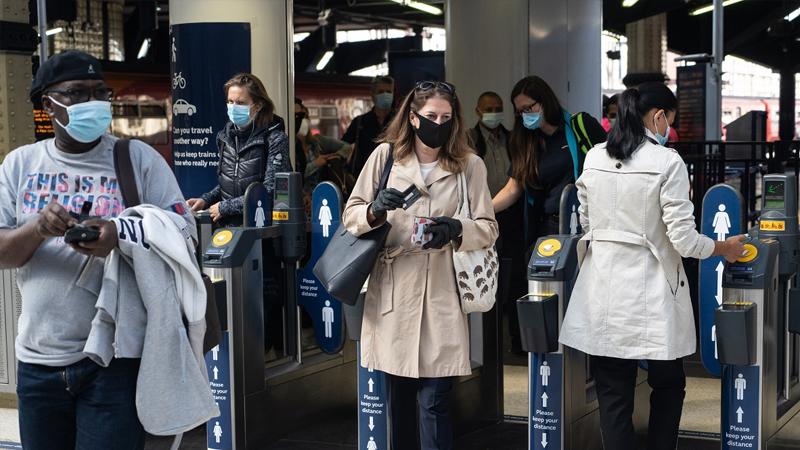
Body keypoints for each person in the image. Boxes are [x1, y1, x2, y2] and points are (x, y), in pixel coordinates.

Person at [0, 50, 194, 449]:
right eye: (76, 93)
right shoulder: (19, 166)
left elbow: (184, 229)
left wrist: (118, 234)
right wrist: (38, 228)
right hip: (38, 362)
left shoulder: (136, 159)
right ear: (48, 104)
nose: (92, 103)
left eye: (99, 92)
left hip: (115, 358)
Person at [558, 83, 746, 450]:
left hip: (601, 288)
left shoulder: (595, 156)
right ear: (658, 116)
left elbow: (584, 218)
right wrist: (724, 248)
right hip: (654, 290)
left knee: (613, 390)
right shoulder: (667, 162)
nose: (668, 131)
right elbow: (685, 241)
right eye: (669, 122)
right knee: (668, 382)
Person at [343, 81, 498, 450]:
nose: (438, 124)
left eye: (446, 117)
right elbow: (351, 216)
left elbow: (489, 227)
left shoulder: (469, 166)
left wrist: (457, 228)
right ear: (412, 118)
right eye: (431, 116)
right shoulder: (384, 158)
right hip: (395, 289)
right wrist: (376, 209)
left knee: (435, 400)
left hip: (443, 290)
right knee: (398, 399)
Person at [492, 75, 607, 248]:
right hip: (548, 228)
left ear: (544, 101)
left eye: (528, 108)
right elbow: (512, 188)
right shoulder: (525, 142)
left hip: (586, 223)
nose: (525, 115)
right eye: (520, 111)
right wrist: (483, 210)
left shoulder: (580, 127)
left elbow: (611, 167)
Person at [187, 73, 290, 226]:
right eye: (230, 101)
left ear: (258, 105)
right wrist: (206, 199)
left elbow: (271, 191)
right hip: (227, 228)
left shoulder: (275, 139)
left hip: (259, 228)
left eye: (240, 103)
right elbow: (231, 182)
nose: (234, 108)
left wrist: (225, 207)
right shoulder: (224, 138)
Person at [467, 91, 526, 355]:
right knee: (483, 274)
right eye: (489, 108)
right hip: (479, 216)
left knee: (515, 278)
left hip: (510, 216)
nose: (494, 113)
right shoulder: (469, 139)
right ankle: (486, 342)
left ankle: (516, 338)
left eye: (498, 108)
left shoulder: (513, 138)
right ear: (478, 111)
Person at [294, 97, 354, 196]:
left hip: (320, 195)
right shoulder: (290, 145)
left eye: (305, 117)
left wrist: (336, 155)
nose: (302, 121)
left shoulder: (318, 142)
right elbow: (296, 174)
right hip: (300, 197)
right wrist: (316, 163)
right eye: (298, 117)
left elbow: (347, 147)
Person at [343, 75, 396, 178]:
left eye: (389, 92)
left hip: (392, 177)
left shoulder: (401, 121)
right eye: (380, 92)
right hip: (363, 177)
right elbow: (343, 144)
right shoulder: (359, 122)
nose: (385, 95)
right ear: (372, 95)